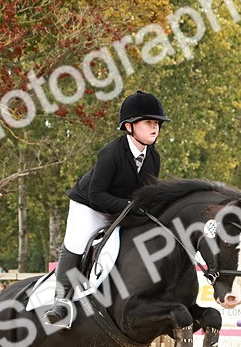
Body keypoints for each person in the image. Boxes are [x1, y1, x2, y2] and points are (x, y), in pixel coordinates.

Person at [45, 90, 169, 325]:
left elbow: (148, 193)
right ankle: (60, 303)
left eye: (157, 123)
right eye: (149, 122)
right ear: (129, 126)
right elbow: (97, 194)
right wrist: (130, 207)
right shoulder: (111, 153)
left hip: (122, 208)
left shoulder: (153, 158)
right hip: (89, 206)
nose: (155, 127)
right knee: (76, 243)